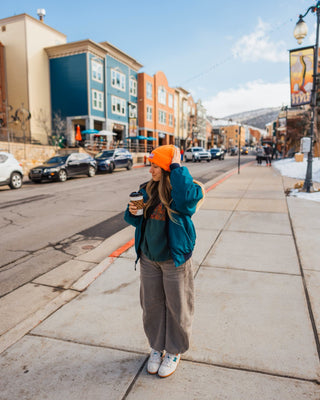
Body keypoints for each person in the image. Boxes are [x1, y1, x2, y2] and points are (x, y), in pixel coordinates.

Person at [124, 145, 204, 378]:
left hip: (174, 260)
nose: (150, 170)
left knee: (177, 307)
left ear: (168, 168)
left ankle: (174, 351)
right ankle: (157, 348)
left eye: (155, 166)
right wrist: (132, 211)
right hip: (149, 258)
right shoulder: (145, 189)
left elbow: (188, 201)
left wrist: (177, 167)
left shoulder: (184, 191)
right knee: (152, 305)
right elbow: (133, 220)